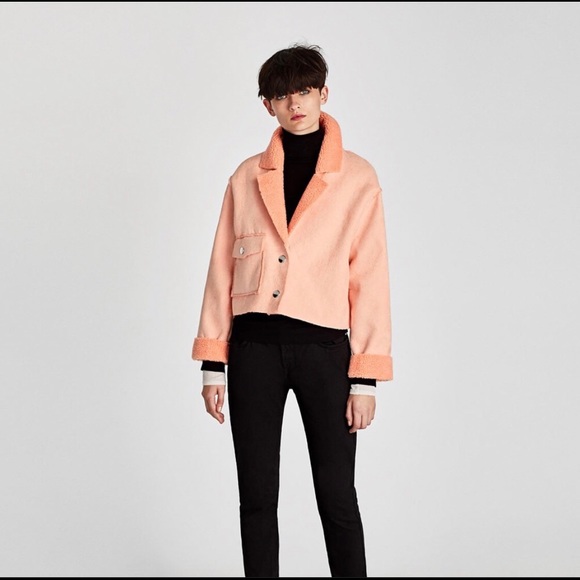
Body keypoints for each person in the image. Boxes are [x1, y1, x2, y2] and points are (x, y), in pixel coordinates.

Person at [191, 43, 393, 578]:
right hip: (253, 351)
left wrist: (365, 378)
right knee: (256, 496)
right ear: (268, 106)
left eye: (303, 91)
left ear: (324, 93)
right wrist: (213, 364)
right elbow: (221, 269)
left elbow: (369, 277)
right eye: (281, 96)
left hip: (325, 352)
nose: (294, 104)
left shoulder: (358, 177)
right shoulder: (245, 177)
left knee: (337, 494)